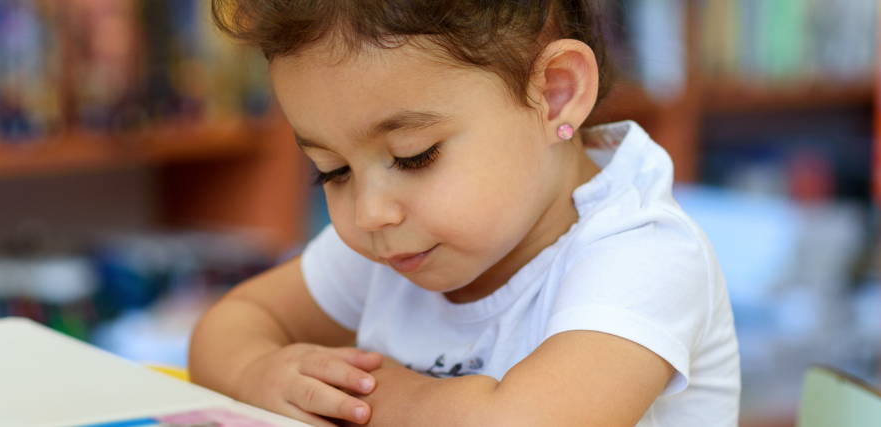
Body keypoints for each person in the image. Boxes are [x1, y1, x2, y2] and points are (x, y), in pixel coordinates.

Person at [188, 1, 740, 426]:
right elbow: (231, 325)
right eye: (332, 171)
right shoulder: (397, 241)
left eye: (414, 156)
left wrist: (354, 397)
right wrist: (259, 373)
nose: (370, 212)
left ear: (555, 93)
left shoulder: (645, 253)